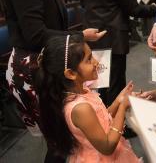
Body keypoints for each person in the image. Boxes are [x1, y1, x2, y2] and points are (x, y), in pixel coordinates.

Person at [0, 0, 105, 141]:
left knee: (66, 140)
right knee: (61, 141)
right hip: (33, 69)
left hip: (49, 63)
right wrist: (79, 36)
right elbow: (36, 34)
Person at [35, 34, 141, 162]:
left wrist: (119, 100)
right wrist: (123, 108)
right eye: (89, 59)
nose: (96, 62)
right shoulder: (80, 108)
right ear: (71, 73)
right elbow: (107, 147)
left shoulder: (82, 91)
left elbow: (101, 119)